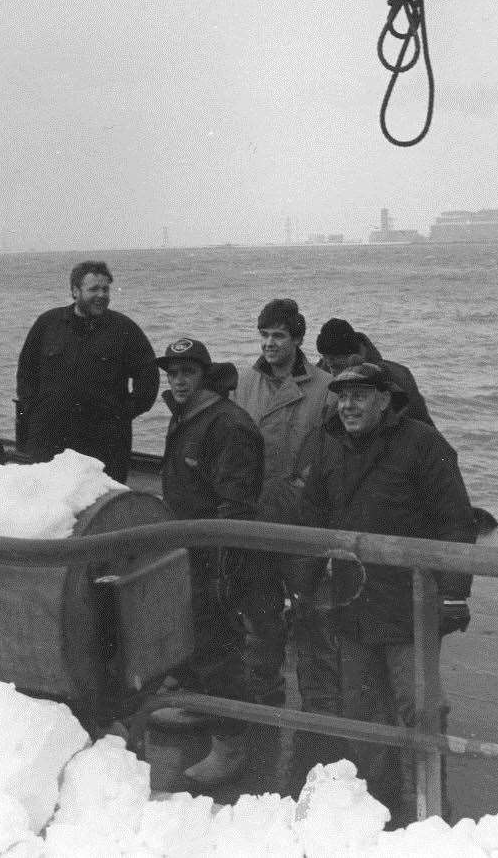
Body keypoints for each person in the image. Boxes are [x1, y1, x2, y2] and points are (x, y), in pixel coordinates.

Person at [298, 362, 473, 824]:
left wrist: (454, 595)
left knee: (419, 710)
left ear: (384, 399)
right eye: (342, 395)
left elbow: (456, 521)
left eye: (360, 395)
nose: (349, 404)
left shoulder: (423, 444)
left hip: (409, 606)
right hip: (353, 603)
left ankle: (430, 812)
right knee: (361, 715)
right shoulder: (328, 445)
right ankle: (376, 807)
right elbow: (312, 521)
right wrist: (302, 589)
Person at [152, 337, 265, 789]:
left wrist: (223, 570)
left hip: (218, 558)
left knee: (221, 648)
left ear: (205, 374)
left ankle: (230, 745)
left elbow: (236, 504)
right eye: (172, 373)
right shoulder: (186, 417)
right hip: (189, 553)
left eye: (188, 372)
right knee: (195, 639)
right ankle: (203, 707)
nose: (178, 381)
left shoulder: (227, 425)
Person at [233, 298, 332, 708]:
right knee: (260, 613)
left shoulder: (324, 388)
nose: (269, 344)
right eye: (264, 335)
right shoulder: (242, 383)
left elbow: (331, 453)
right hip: (256, 513)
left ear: (297, 339)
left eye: (278, 336)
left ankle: (318, 697)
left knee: (311, 613)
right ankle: (264, 687)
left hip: (302, 520)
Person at [15, 260, 158, 483]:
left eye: (106, 289)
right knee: (48, 504)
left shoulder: (124, 330)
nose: (101, 295)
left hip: (105, 444)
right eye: (93, 289)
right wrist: (34, 410)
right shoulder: (48, 324)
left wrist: (122, 414)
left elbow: (148, 378)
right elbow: (26, 372)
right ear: (74, 291)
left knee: (102, 507)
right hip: (51, 439)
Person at [314, 317, 434, 426]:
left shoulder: (399, 377)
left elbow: (426, 433)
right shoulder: (318, 374)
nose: (329, 364)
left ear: (354, 355)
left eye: (335, 360)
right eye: (325, 357)